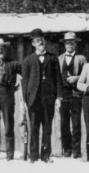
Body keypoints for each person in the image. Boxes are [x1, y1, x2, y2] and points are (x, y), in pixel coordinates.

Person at [21, 28, 63, 163]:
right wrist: (24, 100)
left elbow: (58, 80)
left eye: (42, 40)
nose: (40, 43)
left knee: (47, 128)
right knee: (33, 127)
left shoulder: (53, 58)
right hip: (33, 99)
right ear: (33, 43)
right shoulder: (28, 60)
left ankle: (46, 155)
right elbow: (24, 82)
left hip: (49, 99)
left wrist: (58, 97)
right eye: (37, 41)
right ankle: (33, 155)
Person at [57, 32, 86, 159]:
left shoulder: (81, 59)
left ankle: (76, 151)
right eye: (67, 42)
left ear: (75, 44)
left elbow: (87, 75)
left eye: (72, 42)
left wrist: (76, 78)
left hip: (76, 94)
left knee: (76, 124)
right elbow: (56, 78)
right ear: (64, 44)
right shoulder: (59, 58)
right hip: (63, 95)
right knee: (64, 124)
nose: (69, 44)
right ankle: (67, 149)